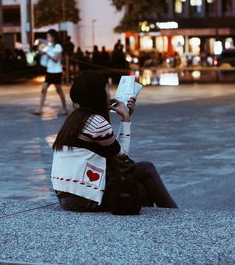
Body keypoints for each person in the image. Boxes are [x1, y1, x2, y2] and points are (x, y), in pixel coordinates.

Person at [51, 72, 178, 212]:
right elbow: (122, 157)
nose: (110, 94)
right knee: (146, 170)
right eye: (107, 90)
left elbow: (113, 151)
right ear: (98, 95)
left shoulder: (75, 119)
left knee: (138, 188)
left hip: (67, 197)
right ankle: (174, 214)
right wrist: (126, 119)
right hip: (83, 199)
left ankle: (160, 220)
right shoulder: (97, 123)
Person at [33, 29, 68, 116]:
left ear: (53, 37)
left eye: (48, 36)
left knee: (59, 90)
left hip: (56, 72)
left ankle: (65, 108)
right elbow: (39, 52)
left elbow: (56, 59)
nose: (47, 38)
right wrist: (40, 48)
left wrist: (47, 52)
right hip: (49, 71)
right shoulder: (49, 46)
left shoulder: (58, 47)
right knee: (43, 89)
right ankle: (40, 109)